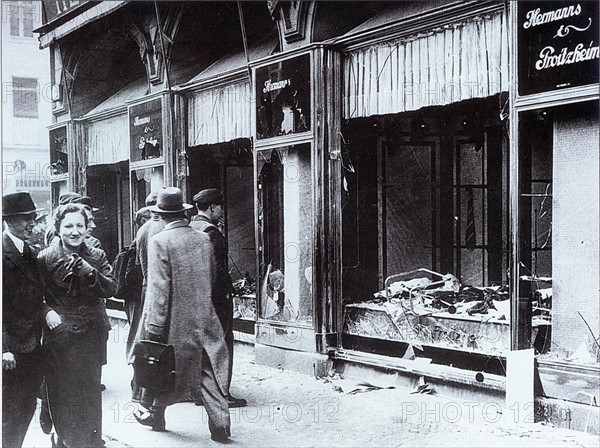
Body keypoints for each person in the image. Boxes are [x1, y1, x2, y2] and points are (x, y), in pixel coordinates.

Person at [134, 187, 231, 442]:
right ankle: (221, 425)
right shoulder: (203, 238)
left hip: (173, 321)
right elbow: (211, 278)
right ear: (183, 212)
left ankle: (156, 413)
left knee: (164, 368)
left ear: (162, 216)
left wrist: (153, 327)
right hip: (204, 315)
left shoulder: (160, 242)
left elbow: (159, 289)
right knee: (208, 369)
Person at [37, 203, 116, 448]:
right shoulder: (45, 258)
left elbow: (112, 288)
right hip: (60, 337)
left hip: (91, 335)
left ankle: (90, 441)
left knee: (90, 393)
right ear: (58, 229)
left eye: (80, 226)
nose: (74, 231)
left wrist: (91, 272)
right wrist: (47, 311)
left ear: (87, 228)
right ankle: (63, 438)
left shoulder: (96, 255)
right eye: (68, 226)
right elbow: (31, 297)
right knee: (63, 393)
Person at [2, 191, 54, 448]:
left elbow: (36, 299)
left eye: (33, 217)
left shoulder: (30, 252)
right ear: (9, 220)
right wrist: (4, 349)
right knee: (11, 412)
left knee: (25, 408)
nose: (32, 223)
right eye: (25, 218)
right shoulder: (3, 253)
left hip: (33, 345)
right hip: (12, 350)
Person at [191, 188, 247, 408]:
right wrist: (225, 294)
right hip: (215, 300)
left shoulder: (190, 228)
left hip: (194, 298)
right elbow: (217, 272)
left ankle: (199, 393)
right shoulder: (213, 233)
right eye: (220, 207)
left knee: (200, 347)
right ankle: (222, 393)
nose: (222, 211)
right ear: (212, 207)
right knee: (221, 345)